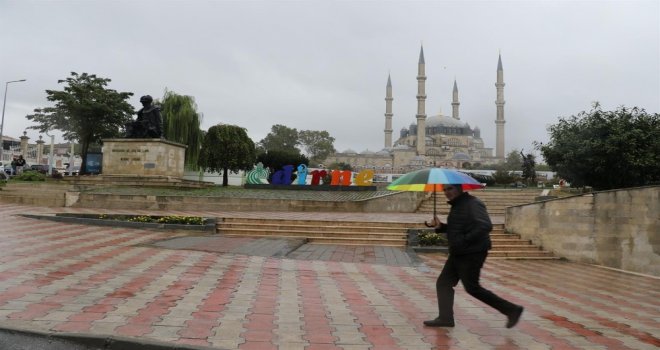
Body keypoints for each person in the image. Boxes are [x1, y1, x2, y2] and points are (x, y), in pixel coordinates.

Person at [423, 184, 524, 328]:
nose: (447, 192)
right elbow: (459, 228)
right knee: (443, 283)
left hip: (472, 252)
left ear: (459, 188)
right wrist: (441, 227)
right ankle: (445, 318)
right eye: (444, 190)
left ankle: (512, 310)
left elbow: (485, 226)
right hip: (459, 252)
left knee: (472, 288)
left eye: (450, 188)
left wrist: (463, 241)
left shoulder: (473, 203)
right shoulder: (458, 205)